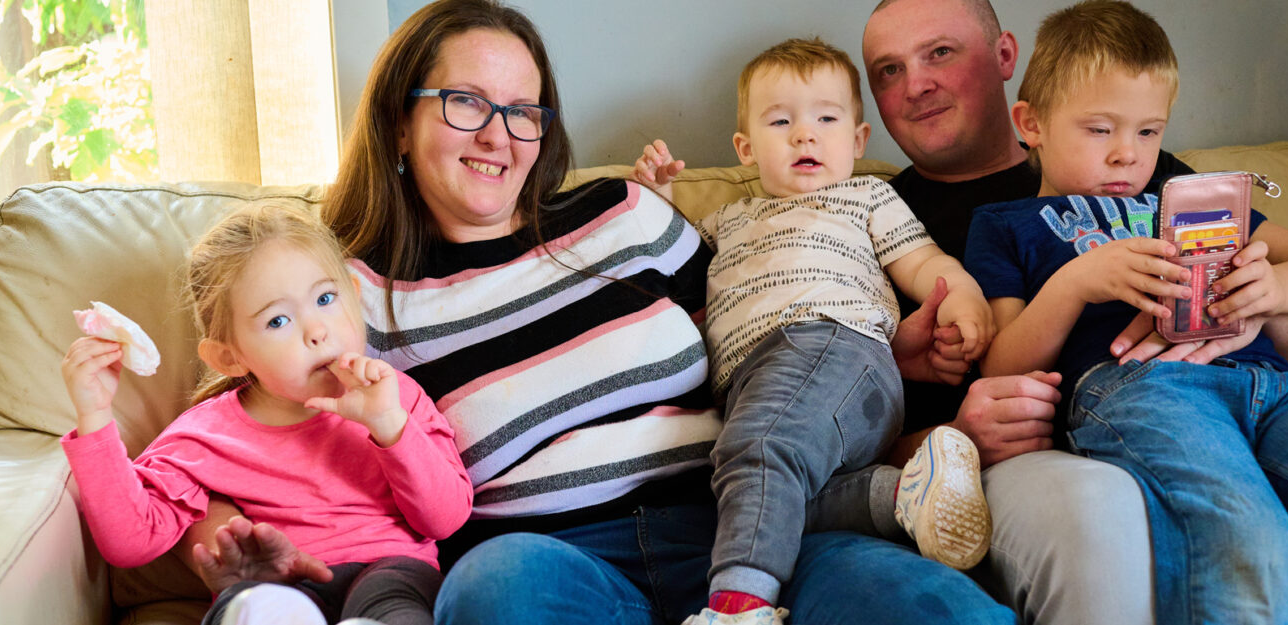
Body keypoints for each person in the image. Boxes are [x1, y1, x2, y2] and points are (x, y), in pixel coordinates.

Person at [177, 2, 1017, 625]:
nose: (498, 135)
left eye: (523, 110)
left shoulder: (625, 214)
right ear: (400, 120)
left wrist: (897, 367)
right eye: (465, 102)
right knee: (493, 589)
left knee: (937, 608)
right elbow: (243, 426)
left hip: (747, 528)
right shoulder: (356, 296)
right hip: (551, 562)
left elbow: (762, 331)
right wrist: (221, 526)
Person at [861, 0, 1288, 622]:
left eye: (940, 53)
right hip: (1017, 450)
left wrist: (1247, 305)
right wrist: (948, 439)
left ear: (1006, 57)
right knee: (1105, 508)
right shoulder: (875, 216)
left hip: (1220, 394)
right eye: (887, 70)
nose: (917, 83)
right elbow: (836, 423)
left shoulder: (1146, 176)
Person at [964, 2, 1288, 623]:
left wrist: (1272, 289)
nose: (1126, 155)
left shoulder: (1191, 203)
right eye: (1099, 129)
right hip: (1144, 390)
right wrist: (1075, 283)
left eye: (1147, 132)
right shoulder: (1006, 225)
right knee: (1244, 530)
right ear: (1031, 123)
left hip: (1278, 387)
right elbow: (1001, 364)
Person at [631, 37, 995, 622]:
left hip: (830, 344)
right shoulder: (724, 220)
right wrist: (657, 204)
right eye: (782, 121)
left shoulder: (865, 196)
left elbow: (923, 261)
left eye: (826, 118)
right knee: (753, 482)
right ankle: (902, 492)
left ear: (856, 140)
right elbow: (671, 276)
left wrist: (964, 295)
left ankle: (738, 607)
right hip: (758, 383)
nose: (805, 134)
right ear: (746, 148)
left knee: (761, 451)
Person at [58, 202, 473, 625]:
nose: (317, 331)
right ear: (230, 357)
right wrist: (94, 414)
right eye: (278, 321)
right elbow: (131, 542)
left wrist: (389, 426)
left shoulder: (395, 398)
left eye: (326, 299)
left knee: (396, 600)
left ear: (354, 293)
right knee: (255, 605)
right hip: (276, 586)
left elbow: (446, 519)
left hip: (392, 575)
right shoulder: (204, 437)